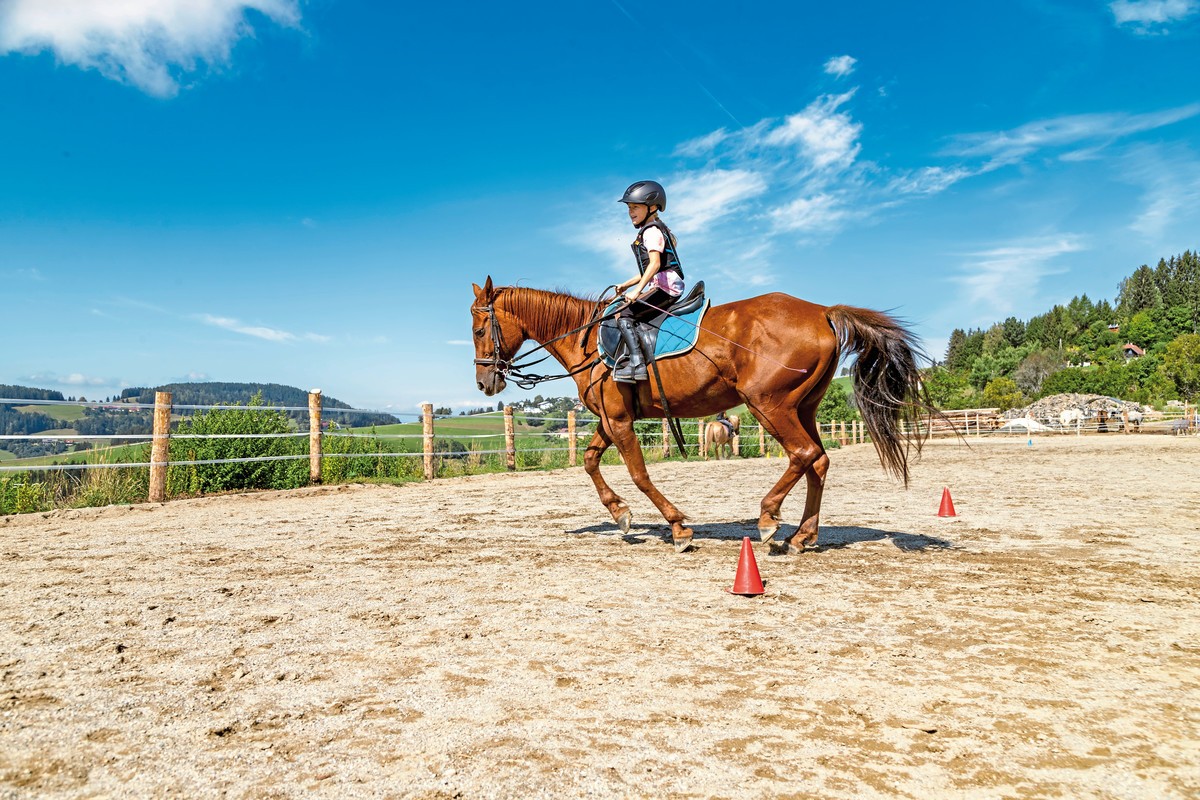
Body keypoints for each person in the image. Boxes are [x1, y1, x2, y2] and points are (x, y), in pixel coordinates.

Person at [613, 180, 685, 383]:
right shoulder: (653, 229)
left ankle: (637, 364)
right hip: (663, 283)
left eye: (635, 207)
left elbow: (653, 265)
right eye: (629, 208)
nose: (631, 212)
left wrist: (637, 291)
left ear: (652, 206)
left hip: (666, 288)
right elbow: (650, 269)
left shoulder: (651, 231)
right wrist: (626, 284)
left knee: (624, 314)